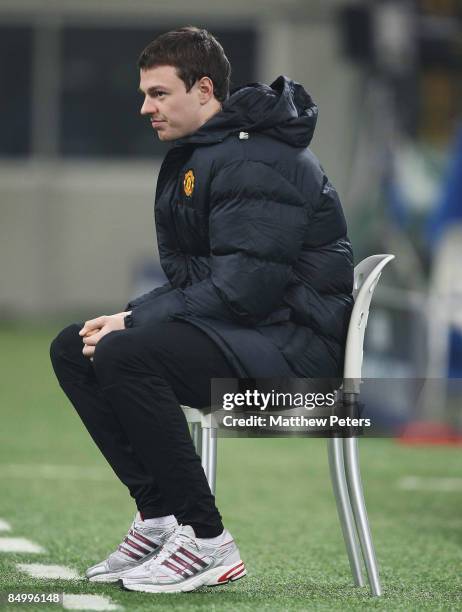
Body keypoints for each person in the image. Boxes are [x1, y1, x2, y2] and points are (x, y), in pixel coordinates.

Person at [50, 25, 353, 594]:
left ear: (204, 89)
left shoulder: (254, 159)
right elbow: (209, 283)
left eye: (159, 94)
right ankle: (160, 516)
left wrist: (134, 321)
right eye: (145, 94)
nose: (146, 108)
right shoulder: (215, 152)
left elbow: (244, 290)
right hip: (261, 333)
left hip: (302, 367)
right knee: (76, 346)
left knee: (127, 351)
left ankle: (209, 541)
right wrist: (129, 315)